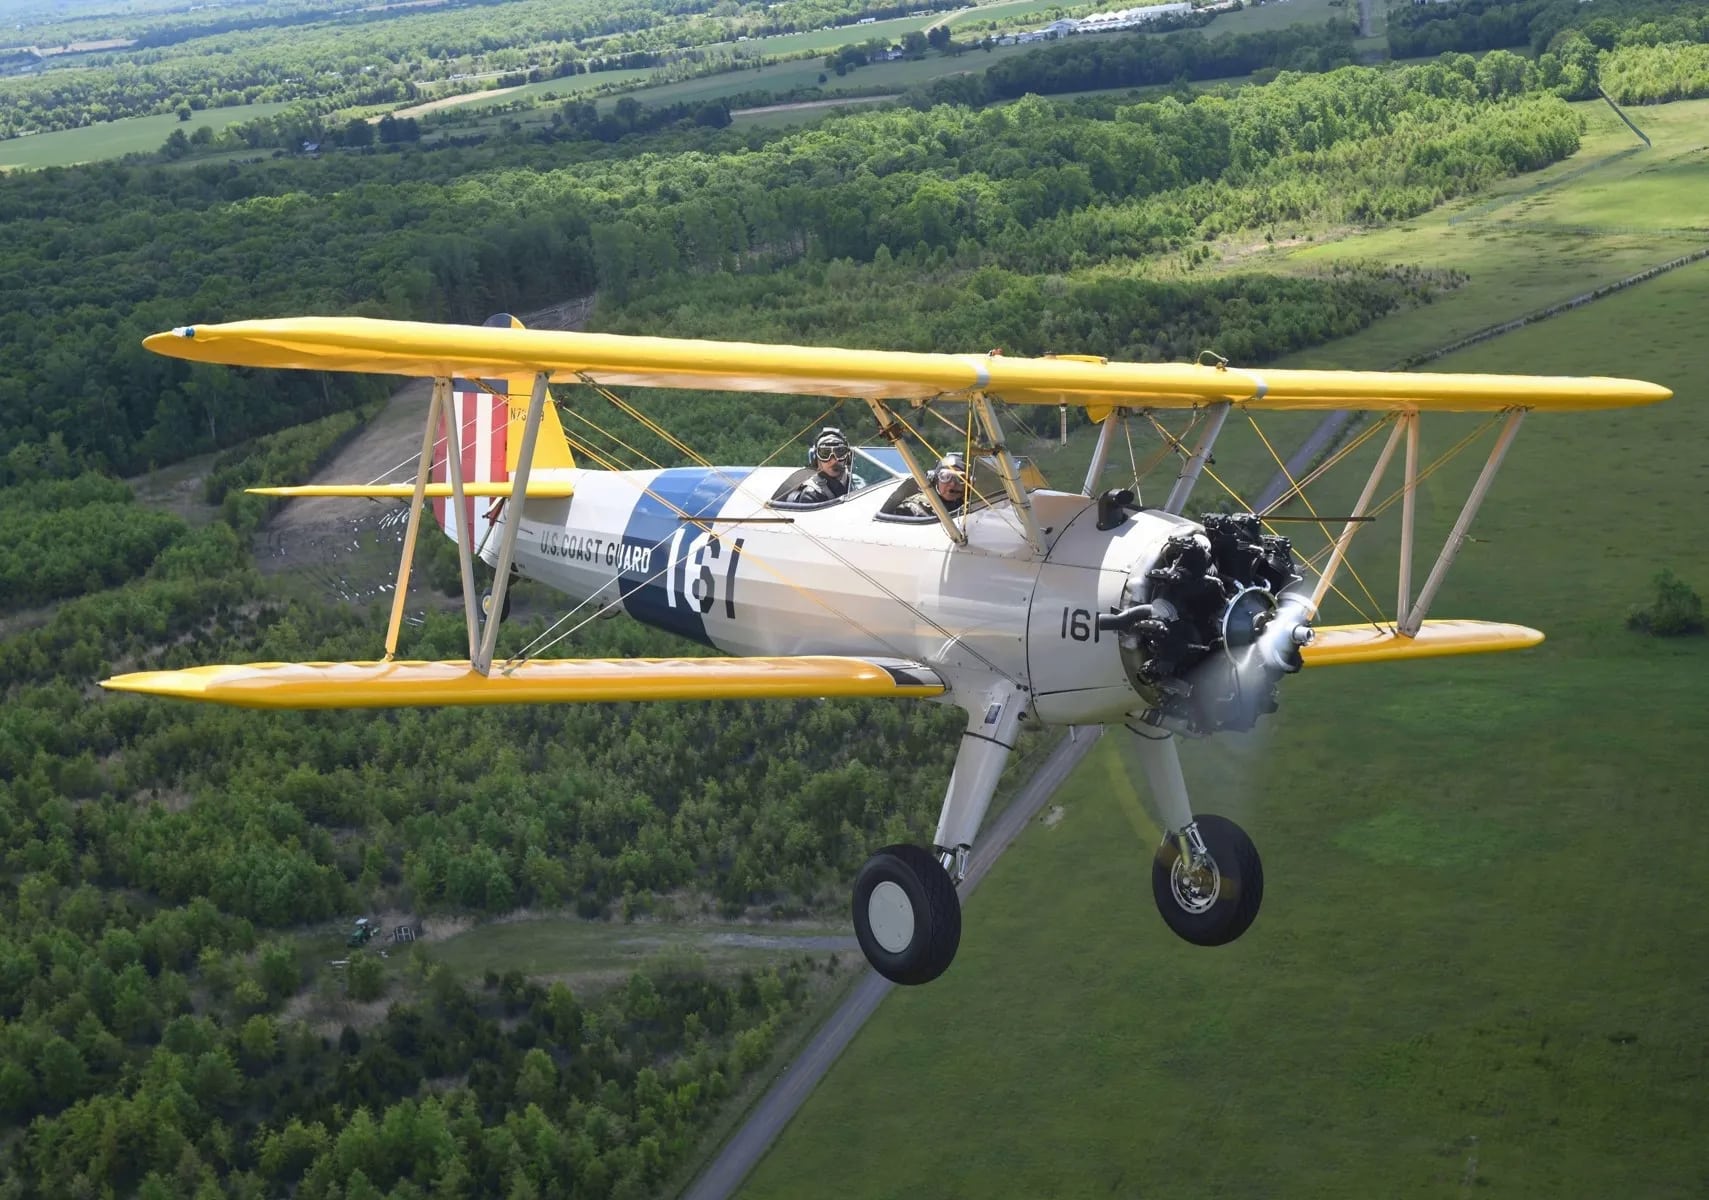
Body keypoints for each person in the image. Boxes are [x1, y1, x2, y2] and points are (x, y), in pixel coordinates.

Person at [784, 427, 854, 503]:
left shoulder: (857, 482)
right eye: (825, 453)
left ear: (848, 456)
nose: (834, 460)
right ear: (816, 458)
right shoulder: (811, 495)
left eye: (840, 452)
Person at [897, 452, 968, 518]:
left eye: (960, 479)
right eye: (945, 477)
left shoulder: (969, 505)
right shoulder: (913, 509)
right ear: (935, 479)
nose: (952, 484)